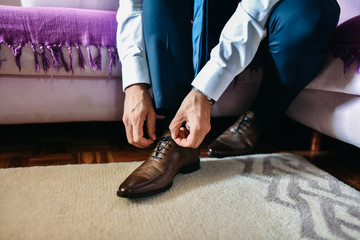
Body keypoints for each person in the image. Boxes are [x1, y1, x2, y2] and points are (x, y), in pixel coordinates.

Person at [116, 0, 340, 198]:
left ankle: (258, 118)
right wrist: (135, 85)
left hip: (277, 7)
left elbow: (255, 9)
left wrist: (203, 93)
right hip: (209, 6)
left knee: (313, 10)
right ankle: (177, 135)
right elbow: (133, 6)